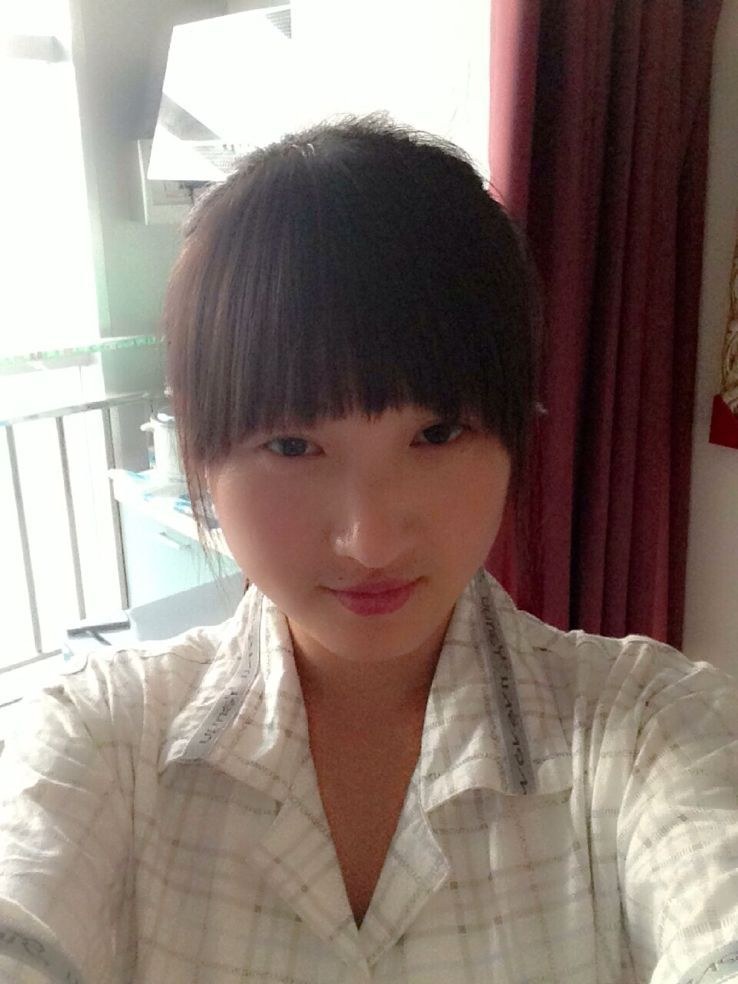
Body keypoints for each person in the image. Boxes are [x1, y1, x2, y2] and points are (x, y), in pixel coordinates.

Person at [0, 114, 736, 984]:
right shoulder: (102, 739)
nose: (372, 539)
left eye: (438, 433)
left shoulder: (647, 727)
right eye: (292, 445)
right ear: (202, 450)